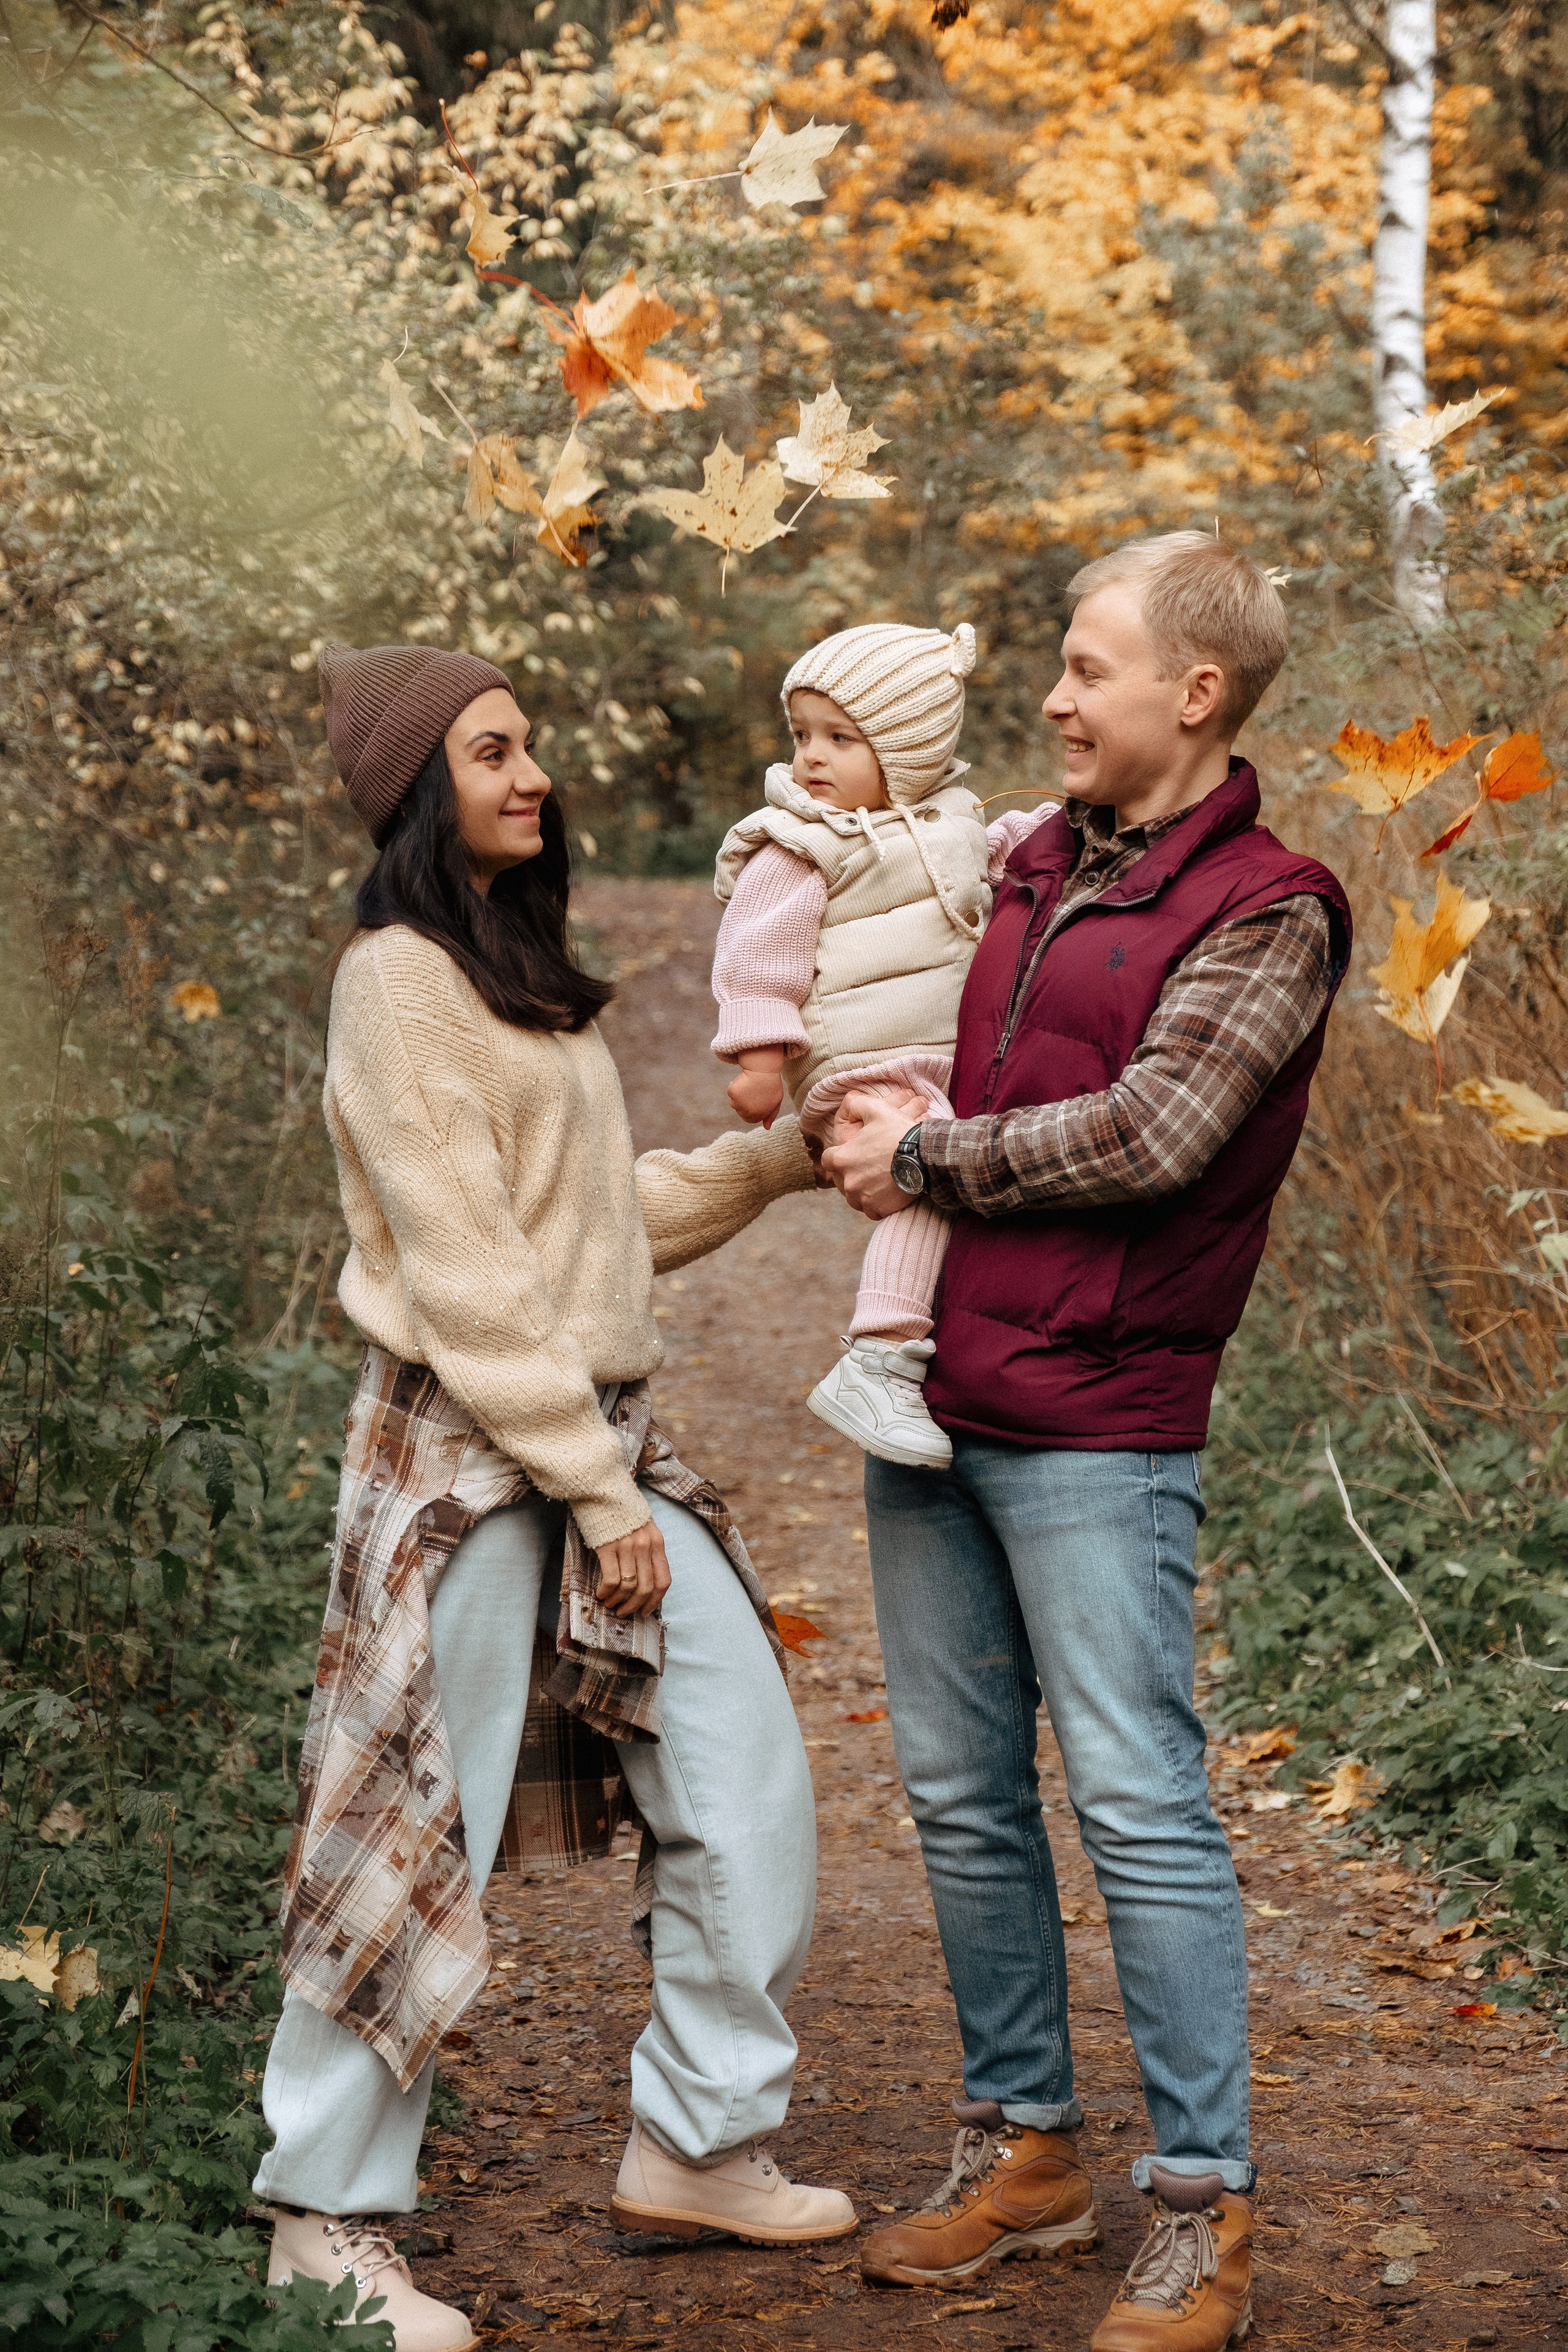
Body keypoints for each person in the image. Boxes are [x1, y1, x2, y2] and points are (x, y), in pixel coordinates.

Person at [254, 643, 855, 2352]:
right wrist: (598, 1495)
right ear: (414, 787)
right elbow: (464, 1275)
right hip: (466, 1459)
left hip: (584, 1442)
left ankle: (703, 2141)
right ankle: (325, 2220)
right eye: (495, 750)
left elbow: (579, 1231)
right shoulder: (393, 983)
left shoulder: (506, 973)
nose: (534, 775)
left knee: (746, 1776)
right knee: (402, 1824)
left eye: (532, 742)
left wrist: (771, 1162)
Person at [821, 536, 1352, 2352]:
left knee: (1135, 1804)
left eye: (1085, 666)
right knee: (965, 1805)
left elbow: (1160, 1133)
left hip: (1102, 1419)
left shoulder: (1274, 904)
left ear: (1193, 694)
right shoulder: (1027, 863)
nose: (1053, 696)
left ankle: (1203, 2211)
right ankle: (1026, 2152)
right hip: (934, 1399)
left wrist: (928, 1161)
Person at [711, 619, 1050, 1471]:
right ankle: (880, 1358)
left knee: (959, 1172)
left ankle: (911, 1349)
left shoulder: (945, 821)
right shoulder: (802, 842)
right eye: (801, 736)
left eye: (840, 738)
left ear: (909, 753)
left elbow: (987, 866)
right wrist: (756, 1062)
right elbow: (759, 954)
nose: (810, 758)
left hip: (930, 1058)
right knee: (928, 1175)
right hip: (865, 1064)